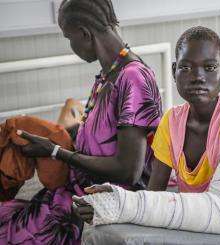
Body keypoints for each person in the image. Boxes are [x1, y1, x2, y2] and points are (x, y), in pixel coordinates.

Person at [73, 26, 220, 234]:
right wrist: (114, 205)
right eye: (186, 68)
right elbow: (153, 196)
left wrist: (124, 204)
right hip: (193, 232)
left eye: (209, 67)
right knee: (98, 232)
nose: (198, 77)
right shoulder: (171, 122)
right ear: (174, 71)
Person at [0, 0, 162, 244]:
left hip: (102, 201)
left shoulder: (133, 78)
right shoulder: (108, 75)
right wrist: (54, 137)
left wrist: (56, 152)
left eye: (69, 38)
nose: (71, 46)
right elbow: (101, 135)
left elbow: (129, 171)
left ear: (85, 34)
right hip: (76, 192)